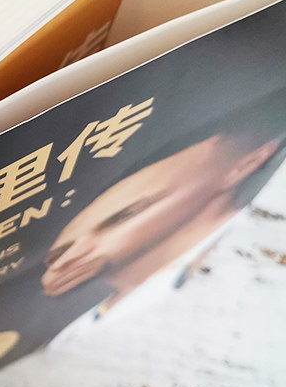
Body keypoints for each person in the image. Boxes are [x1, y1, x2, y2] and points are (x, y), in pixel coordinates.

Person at [41, 87, 286, 345]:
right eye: (57, 255)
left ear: (246, 165)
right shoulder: (75, 335)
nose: (65, 262)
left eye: (125, 216)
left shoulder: (253, 271)